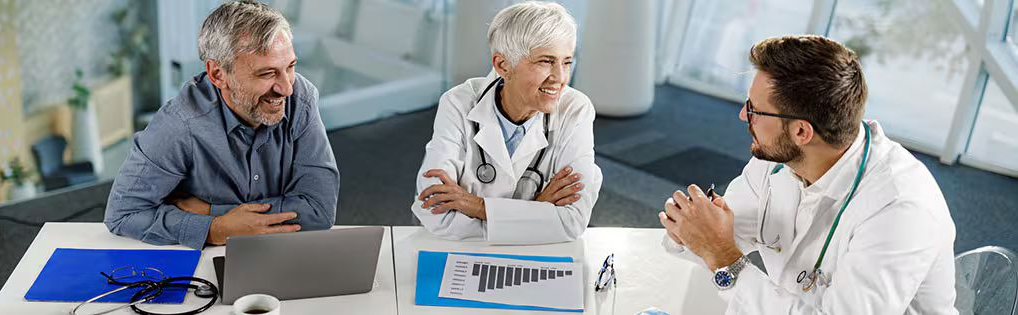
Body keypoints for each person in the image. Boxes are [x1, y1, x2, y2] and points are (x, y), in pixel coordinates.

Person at [658, 35, 957, 314]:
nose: (741, 116)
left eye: (754, 110)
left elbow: (723, 255)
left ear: (801, 131)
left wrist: (726, 261)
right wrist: (689, 229)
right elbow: (715, 240)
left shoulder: (900, 208)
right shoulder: (776, 160)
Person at [104, 0, 340, 249]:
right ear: (218, 74)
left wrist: (211, 213)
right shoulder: (178, 125)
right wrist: (215, 231)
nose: (286, 87)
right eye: (267, 73)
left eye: (290, 67)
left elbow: (319, 210)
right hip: (206, 256)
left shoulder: (300, 98)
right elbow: (123, 213)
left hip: (283, 252)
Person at [410, 1, 602, 244]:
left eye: (566, 61)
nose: (561, 78)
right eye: (545, 61)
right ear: (503, 65)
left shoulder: (576, 110)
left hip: (535, 260)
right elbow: (436, 213)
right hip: (457, 256)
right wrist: (537, 210)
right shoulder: (458, 103)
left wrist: (478, 207)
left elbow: (572, 221)